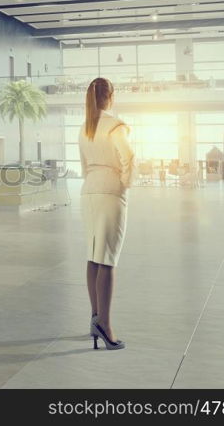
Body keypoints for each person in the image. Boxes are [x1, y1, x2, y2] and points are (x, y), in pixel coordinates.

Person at [78, 77, 135, 351]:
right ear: (110, 96)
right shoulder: (115, 126)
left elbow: (84, 165)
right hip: (110, 192)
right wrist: (124, 182)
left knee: (93, 256)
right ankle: (106, 326)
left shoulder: (85, 128)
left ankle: (95, 318)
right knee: (108, 260)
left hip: (88, 191)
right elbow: (130, 158)